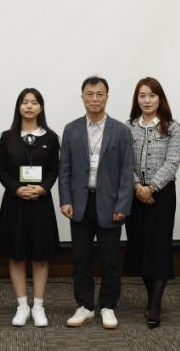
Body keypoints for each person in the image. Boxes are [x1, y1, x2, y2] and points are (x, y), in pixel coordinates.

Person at [58, 76, 134, 330]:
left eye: (99, 94)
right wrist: (65, 200)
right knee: (80, 258)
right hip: (80, 203)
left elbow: (127, 172)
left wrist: (122, 205)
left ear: (107, 97)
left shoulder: (121, 130)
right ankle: (85, 306)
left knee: (110, 259)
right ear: (82, 98)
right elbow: (64, 169)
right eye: (89, 94)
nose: (94, 99)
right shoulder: (71, 129)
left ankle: (108, 306)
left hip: (110, 204)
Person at [0, 88, 60, 327]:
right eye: (25, 102)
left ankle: (39, 306)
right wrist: (16, 188)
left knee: (40, 256)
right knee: (17, 255)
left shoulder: (51, 137)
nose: (29, 106)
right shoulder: (7, 137)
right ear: (19, 107)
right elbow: (0, 170)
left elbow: (55, 169)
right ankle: (22, 306)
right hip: (15, 202)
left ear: (41, 107)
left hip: (41, 202)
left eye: (34, 102)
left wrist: (43, 188)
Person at [123, 77, 180, 329]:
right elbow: (124, 161)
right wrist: (138, 186)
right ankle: (150, 297)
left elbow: (173, 161)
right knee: (141, 247)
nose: (147, 100)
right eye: (142, 96)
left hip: (162, 196)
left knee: (159, 248)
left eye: (152, 95)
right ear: (137, 99)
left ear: (160, 99)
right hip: (134, 194)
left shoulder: (172, 127)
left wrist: (152, 188)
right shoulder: (128, 127)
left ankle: (155, 304)